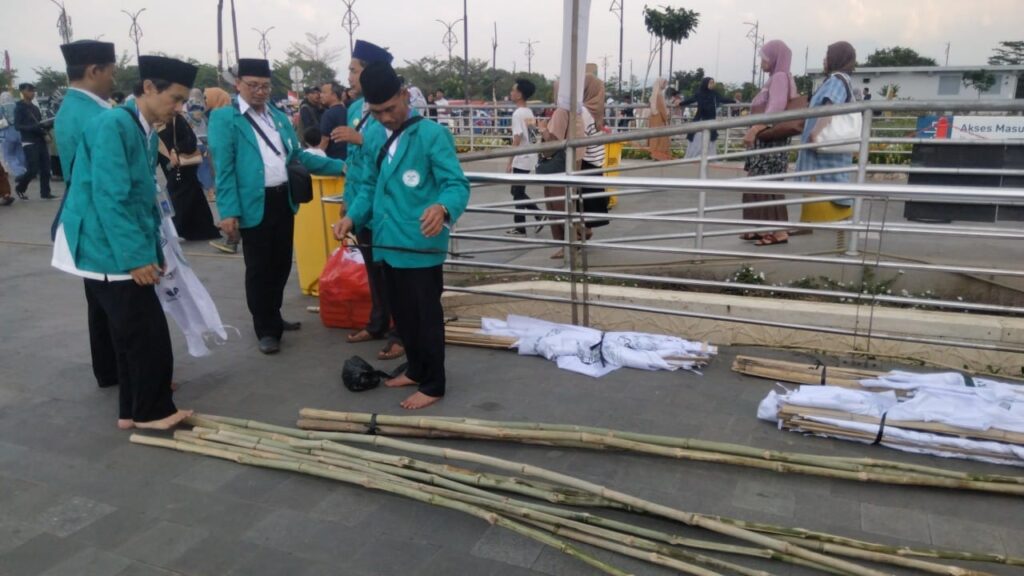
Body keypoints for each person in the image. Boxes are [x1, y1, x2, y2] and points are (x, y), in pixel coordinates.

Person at [53, 55, 198, 430]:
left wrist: (152, 249)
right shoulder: (114, 124)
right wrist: (135, 258)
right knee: (146, 333)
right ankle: (152, 412)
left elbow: (142, 197)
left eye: (184, 101)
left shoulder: (140, 126)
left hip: (115, 243)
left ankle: (132, 411)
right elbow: (111, 197)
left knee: (129, 333)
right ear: (148, 87)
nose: (179, 108)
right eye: (176, 99)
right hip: (104, 247)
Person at [333, 61, 470, 410]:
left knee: (426, 317)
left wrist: (442, 207)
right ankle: (416, 368)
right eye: (377, 112)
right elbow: (368, 186)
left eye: (391, 108)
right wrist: (352, 217)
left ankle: (434, 383)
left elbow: (456, 184)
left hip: (420, 244)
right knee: (403, 315)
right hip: (386, 243)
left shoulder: (431, 135)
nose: (386, 118)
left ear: (405, 95)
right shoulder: (375, 136)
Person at [208, 58, 345, 354]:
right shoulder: (225, 119)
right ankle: (266, 328)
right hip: (253, 203)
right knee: (259, 268)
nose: (260, 92)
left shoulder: (278, 117)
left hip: (283, 200)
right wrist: (228, 211)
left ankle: (273, 312)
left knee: (281, 263)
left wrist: (340, 167)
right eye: (253, 86)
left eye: (265, 86)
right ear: (238, 84)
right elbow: (224, 168)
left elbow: (298, 156)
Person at [50, 40, 122, 389]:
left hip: (85, 216)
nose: (113, 79)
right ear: (94, 70)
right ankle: (125, 371)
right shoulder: (96, 115)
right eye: (111, 72)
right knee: (118, 303)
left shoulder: (73, 108)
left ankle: (108, 370)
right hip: (100, 220)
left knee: (99, 301)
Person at [328, 40, 405, 361]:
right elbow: (356, 165)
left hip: (387, 208)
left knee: (395, 274)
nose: (349, 76)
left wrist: (360, 138)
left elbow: (394, 153)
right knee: (373, 269)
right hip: (362, 204)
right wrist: (349, 203)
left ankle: (401, 332)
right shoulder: (354, 109)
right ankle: (377, 323)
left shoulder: (397, 111)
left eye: (353, 69)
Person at [741, 39, 798, 246]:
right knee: (759, 183)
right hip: (768, 142)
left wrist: (755, 128)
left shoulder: (780, 77)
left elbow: (775, 108)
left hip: (770, 143)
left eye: (764, 58)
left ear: (774, 58)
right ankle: (760, 227)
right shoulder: (778, 77)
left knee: (766, 184)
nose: (762, 62)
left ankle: (779, 231)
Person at [796, 41, 858, 225]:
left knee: (826, 186)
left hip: (823, 151)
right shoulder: (841, 79)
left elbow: (829, 107)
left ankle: (840, 227)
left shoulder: (837, 80)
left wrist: (815, 133)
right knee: (821, 185)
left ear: (836, 58)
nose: (824, 60)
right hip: (826, 152)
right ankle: (807, 223)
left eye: (827, 56)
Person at [156, 112, 221, 240]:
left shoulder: (176, 119)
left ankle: (170, 232)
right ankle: (200, 230)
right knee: (193, 197)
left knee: (175, 199)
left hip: (183, 168)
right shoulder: (152, 125)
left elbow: (190, 140)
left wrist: (176, 149)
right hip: (170, 168)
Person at [505, 78, 541, 236]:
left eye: (513, 90)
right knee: (517, 191)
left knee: (517, 192)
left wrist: (509, 160)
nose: (511, 92)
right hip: (530, 155)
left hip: (522, 157)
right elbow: (533, 135)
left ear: (519, 94)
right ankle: (534, 217)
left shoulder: (517, 114)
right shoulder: (528, 112)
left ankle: (524, 224)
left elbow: (517, 138)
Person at [14, 83, 55, 200]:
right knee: (33, 170)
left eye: (33, 91)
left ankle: (45, 193)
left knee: (46, 168)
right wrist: (33, 127)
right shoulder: (19, 108)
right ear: (22, 91)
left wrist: (47, 126)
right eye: (29, 90)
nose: (32, 93)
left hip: (40, 140)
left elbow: (40, 124)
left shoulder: (35, 108)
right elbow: (17, 126)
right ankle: (20, 187)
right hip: (29, 141)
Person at [680, 77, 736, 159]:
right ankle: (694, 157)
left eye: (713, 83)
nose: (712, 84)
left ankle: (708, 158)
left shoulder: (714, 94)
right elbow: (690, 100)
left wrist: (733, 101)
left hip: (711, 120)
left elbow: (722, 99)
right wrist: (680, 103)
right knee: (697, 138)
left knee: (710, 139)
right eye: (710, 82)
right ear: (705, 83)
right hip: (700, 119)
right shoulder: (699, 93)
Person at [318, 81, 347, 160]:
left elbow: (325, 140)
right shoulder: (348, 111)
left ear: (334, 95)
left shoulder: (328, 114)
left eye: (324, 92)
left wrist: (317, 157)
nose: (320, 95)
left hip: (333, 159)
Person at [646, 79, 672, 161]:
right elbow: (662, 109)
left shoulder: (653, 95)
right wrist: (666, 117)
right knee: (661, 137)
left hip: (653, 118)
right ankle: (660, 155)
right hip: (659, 118)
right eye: (664, 83)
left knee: (654, 137)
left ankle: (654, 154)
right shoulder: (659, 95)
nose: (665, 85)